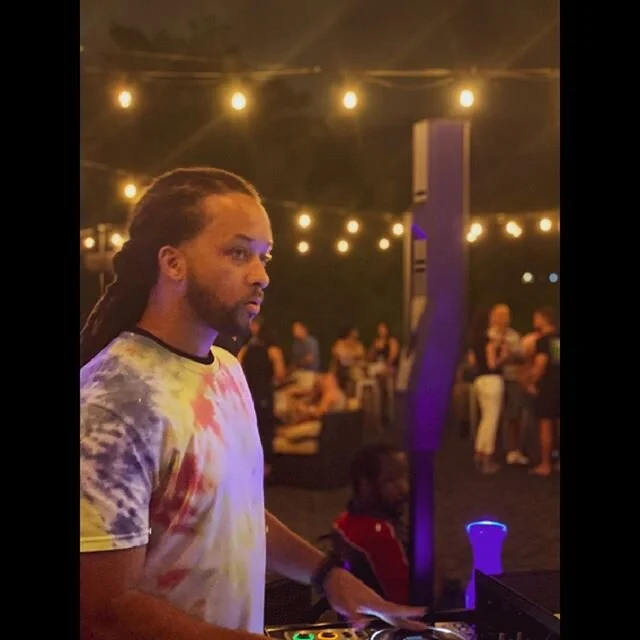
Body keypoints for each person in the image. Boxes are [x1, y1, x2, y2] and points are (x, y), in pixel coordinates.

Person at [80, 167, 426, 640]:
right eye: (238, 252)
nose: (261, 275)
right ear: (173, 263)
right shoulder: (113, 401)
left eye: (264, 256)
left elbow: (231, 511)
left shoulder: (226, 369)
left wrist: (329, 576)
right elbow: (102, 611)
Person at [331, 444, 443, 606]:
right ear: (365, 486)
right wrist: (432, 557)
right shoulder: (381, 535)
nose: (404, 488)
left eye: (403, 477)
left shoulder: (343, 521)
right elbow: (411, 605)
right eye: (391, 481)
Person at [238, 318, 286, 478]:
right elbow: (280, 374)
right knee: (264, 430)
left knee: (254, 429)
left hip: (249, 393)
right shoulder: (272, 350)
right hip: (263, 393)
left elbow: (237, 368)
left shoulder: (247, 349)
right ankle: (264, 468)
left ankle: (252, 467)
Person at [527, 307, 560, 476]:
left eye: (537, 317)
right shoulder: (558, 339)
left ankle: (545, 464)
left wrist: (530, 381)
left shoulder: (543, 341)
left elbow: (541, 364)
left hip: (548, 387)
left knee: (545, 425)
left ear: (545, 319)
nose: (534, 320)